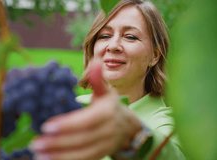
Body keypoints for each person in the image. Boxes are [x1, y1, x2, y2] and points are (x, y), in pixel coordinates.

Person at [30, 0, 185, 159]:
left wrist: (138, 140)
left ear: (155, 55)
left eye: (130, 37)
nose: (113, 45)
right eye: (105, 35)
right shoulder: (74, 107)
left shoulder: (172, 125)